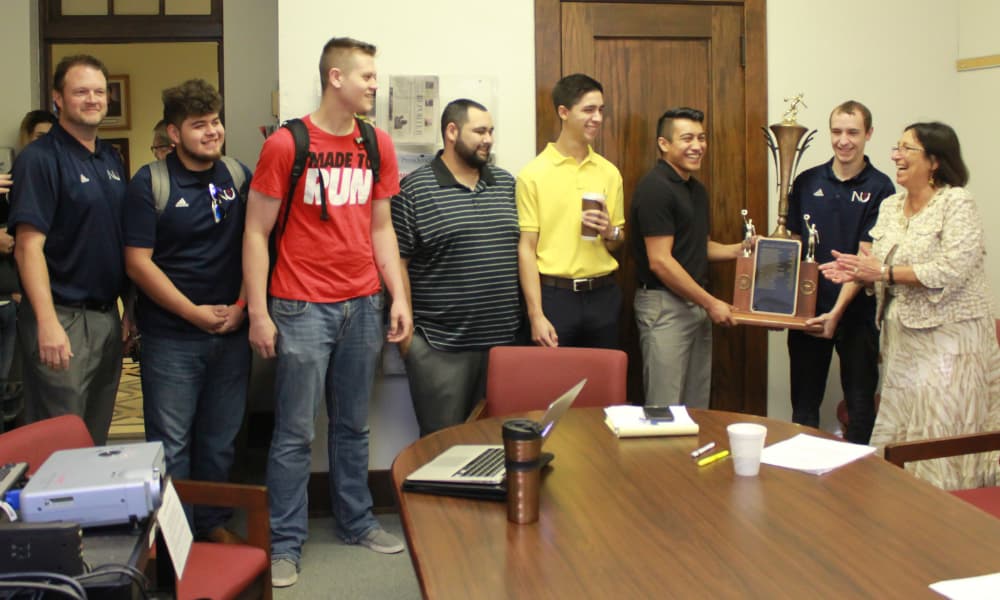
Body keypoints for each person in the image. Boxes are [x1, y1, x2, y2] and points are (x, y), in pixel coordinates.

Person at [243, 37, 411, 588]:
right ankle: (285, 542)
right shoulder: (287, 144)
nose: (374, 84)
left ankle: (356, 521)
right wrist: (260, 313)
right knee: (294, 431)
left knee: (352, 426)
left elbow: (381, 228)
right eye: (365, 75)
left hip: (362, 302)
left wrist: (398, 297)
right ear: (335, 78)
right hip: (300, 305)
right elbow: (256, 232)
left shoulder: (374, 142)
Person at [821, 121, 1000, 490]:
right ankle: (901, 511)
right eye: (896, 148)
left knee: (940, 428)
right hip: (902, 339)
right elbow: (878, 265)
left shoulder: (956, 202)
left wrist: (882, 271)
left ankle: (948, 510)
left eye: (906, 149)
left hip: (951, 342)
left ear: (934, 161)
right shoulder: (889, 206)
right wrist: (857, 271)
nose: (895, 156)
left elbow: (952, 268)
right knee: (900, 426)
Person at [123, 79, 251, 542]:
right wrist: (194, 313)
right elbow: (138, 264)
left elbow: (253, 247)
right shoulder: (150, 182)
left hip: (232, 333)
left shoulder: (237, 176)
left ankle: (212, 524)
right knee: (172, 445)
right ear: (174, 134)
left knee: (220, 441)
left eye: (215, 122)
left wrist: (241, 306)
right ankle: (176, 539)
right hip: (171, 338)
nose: (212, 132)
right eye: (199, 125)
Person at [8, 54, 132, 445]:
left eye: (99, 91)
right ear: (58, 98)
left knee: (93, 436)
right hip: (61, 317)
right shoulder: (39, 159)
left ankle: (86, 507)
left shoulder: (110, 158)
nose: (92, 99)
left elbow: (118, 237)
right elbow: (28, 248)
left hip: (105, 318)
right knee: (60, 439)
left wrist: (129, 308)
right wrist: (47, 323)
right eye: (81, 91)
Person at [391, 99, 520, 436]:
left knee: (497, 446)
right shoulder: (414, 190)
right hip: (440, 348)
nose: (488, 139)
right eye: (479, 131)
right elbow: (397, 261)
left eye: (491, 131)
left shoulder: (506, 184)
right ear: (451, 132)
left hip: (503, 347)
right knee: (442, 449)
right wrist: (411, 344)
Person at [788, 101, 895, 444]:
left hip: (856, 314)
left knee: (861, 408)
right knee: (804, 408)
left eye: (853, 132)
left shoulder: (881, 188)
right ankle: (802, 484)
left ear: (869, 134)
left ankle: (857, 490)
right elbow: (792, 245)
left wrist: (836, 313)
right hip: (808, 312)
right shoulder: (806, 182)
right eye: (837, 132)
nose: (843, 141)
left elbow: (866, 261)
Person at [630, 107, 746, 409]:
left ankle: (689, 459)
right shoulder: (655, 188)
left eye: (701, 138)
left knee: (696, 408)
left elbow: (697, 247)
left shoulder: (696, 190)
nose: (697, 146)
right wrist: (711, 302)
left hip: (694, 305)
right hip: (665, 307)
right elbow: (661, 262)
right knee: (664, 409)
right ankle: (659, 460)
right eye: (687, 138)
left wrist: (740, 249)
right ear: (664, 144)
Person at [516, 73, 625, 349]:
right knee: (554, 388)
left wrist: (609, 230)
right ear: (563, 112)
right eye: (588, 110)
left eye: (601, 110)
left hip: (603, 294)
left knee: (603, 386)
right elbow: (526, 249)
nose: (597, 118)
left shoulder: (609, 172)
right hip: (555, 297)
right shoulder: (533, 174)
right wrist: (536, 314)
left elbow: (616, 241)